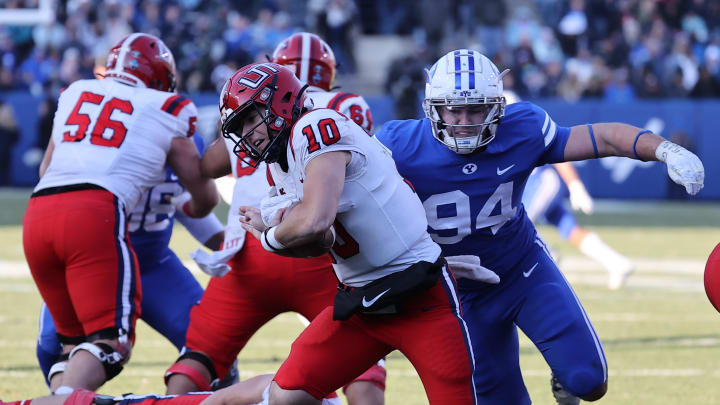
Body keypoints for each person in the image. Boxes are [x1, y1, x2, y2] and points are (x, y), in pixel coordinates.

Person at [375, 49, 704, 404]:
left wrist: (665, 149)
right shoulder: (398, 146)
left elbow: (604, 137)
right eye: (455, 109)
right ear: (433, 107)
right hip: (459, 293)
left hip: (522, 270)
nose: (466, 120)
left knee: (589, 381)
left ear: (497, 107)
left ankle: (564, 381)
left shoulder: (522, 128)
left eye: (477, 109)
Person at [226, 62, 475, 404]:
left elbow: (315, 219)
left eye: (251, 118)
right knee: (288, 395)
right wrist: (279, 229)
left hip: (418, 294)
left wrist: (269, 236)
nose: (249, 132)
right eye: (240, 125)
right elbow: (321, 242)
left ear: (279, 100)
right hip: (361, 304)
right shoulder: (279, 167)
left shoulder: (316, 126)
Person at [165, 33, 385, 405]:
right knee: (359, 355)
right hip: (317, 251)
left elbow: (207, 165)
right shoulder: (343, 104)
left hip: (248, 253)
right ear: (328, 75)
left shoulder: (251, 108)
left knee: (199, 358)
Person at [22, 33, 218, 394]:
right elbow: (204, 196)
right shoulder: (171, 109)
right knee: (109, 344)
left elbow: (45, 172)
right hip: (96, 225)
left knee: (69, 347)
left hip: (42, 216)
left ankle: (60, 398)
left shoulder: (75, 93)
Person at [36, 135, 230, 391]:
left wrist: (233, 244)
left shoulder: (182, 129)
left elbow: (179, 201)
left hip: (153, 265)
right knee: (53, 347)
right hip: (95, 265)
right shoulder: (101, 131)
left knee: (215, 347)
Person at [523, 162, 635, 290]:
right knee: (569, 228)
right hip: (528, 184)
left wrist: (575, 185)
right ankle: (616, 262)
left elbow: (555, 148)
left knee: (515, 225)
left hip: (539, 182)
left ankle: (546, 254)